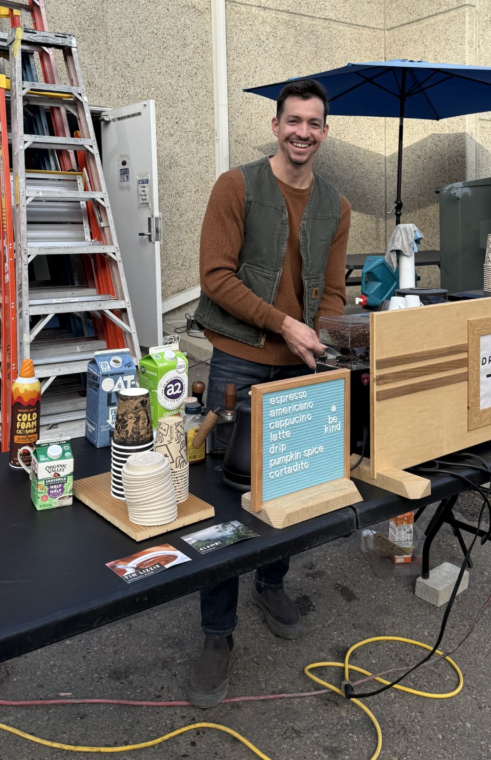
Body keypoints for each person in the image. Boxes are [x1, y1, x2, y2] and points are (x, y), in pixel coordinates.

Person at [189, 78, 351, 707]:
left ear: (325, 132)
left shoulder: (336, 205)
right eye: (293, 121)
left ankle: (271, 581)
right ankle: (217, 630)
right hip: (239, 361)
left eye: (314, 123)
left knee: (291, 484)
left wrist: (326, 339)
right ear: (276, 125)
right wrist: (284, 324)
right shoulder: (236, 187)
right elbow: (215, 276)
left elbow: (332, 292)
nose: (302, 132)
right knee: (224, 501)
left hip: (301, 364)